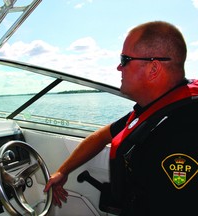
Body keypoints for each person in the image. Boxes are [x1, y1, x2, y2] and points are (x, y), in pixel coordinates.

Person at [44, 21, 198, 215]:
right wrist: (63, 171)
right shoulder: (153, 109)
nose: (118, 67)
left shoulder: (185, 130)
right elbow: (102, 136)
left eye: (124, 59)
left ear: (154, 68)